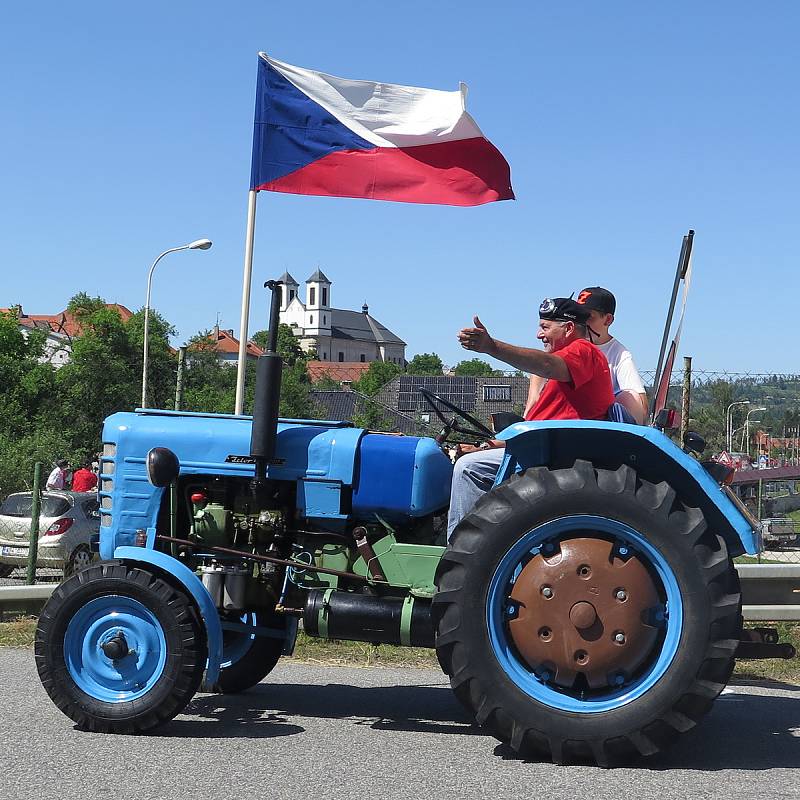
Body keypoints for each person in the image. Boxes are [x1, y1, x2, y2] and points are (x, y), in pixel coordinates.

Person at [447, 297, 614, 538]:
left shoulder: (583, 351)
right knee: (465, 458)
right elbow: (533, 431)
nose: (539, 335)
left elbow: (546, 365)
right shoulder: (566, 374)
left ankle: (460, 549)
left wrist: (491, 347)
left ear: (568, 328)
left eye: (545, 327)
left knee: (468, 468)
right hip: (543, 449)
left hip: (556, 458)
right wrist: (484, 445)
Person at [576, 286, 647, 424]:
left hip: (601, 427)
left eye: (588, 316)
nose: (581, 322)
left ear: (608, 320)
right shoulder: (565, 347)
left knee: (630, 397)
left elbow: (641, 406)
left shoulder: (620, 354)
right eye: (578, 315)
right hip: (567, 421)